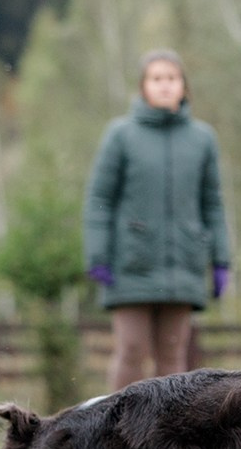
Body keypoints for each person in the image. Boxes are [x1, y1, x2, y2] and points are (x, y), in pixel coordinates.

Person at [83, 49, 230, 391]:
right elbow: (100, 199)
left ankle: (167, 441)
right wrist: (97, 255)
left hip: (183, 265)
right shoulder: (120, 135)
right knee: (131, 350)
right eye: (157, 78)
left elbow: (213, 204)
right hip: (131, 264)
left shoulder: (202, 139)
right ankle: (116, 435)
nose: (165, 85)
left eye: (172, 78)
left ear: (183, 86)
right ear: (143, 86)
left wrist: (221, 259)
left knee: (173, 356)